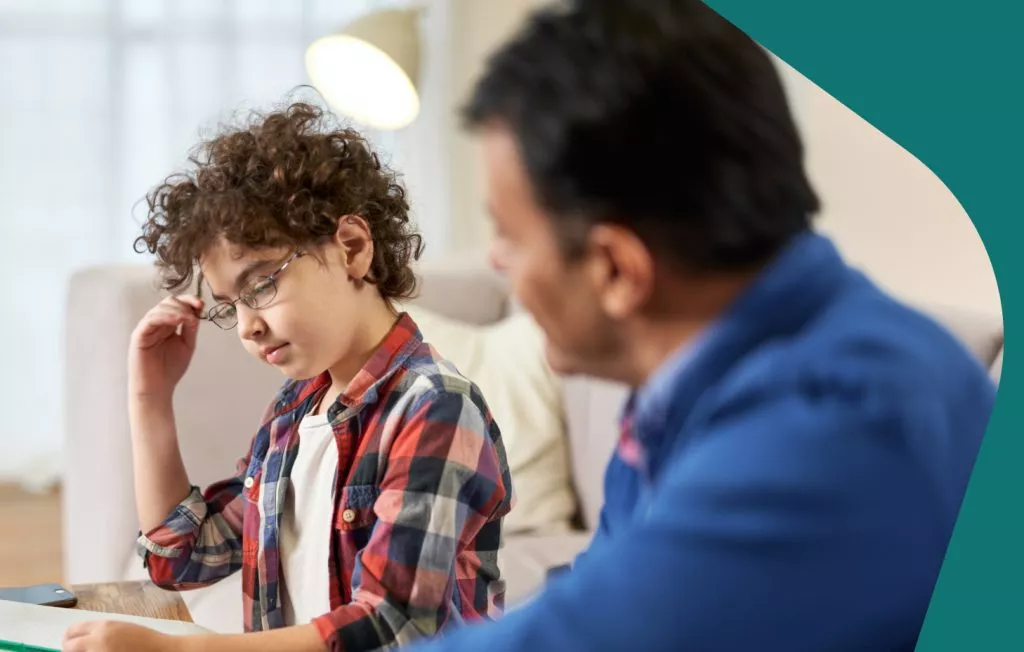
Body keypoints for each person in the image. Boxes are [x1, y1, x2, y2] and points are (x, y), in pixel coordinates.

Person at [410, 1, 997, 650]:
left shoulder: (839, 429)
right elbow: (604, 592)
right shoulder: (683, 390)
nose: (496, 259)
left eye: (508, 233)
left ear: (615, 269)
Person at [62, 102, 513, 652]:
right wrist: (149, 397)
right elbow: (181, 557)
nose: (248, 327)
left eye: (261, 285)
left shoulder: (435, 407)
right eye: (232, 305)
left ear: (352, 248)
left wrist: (182, 651)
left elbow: (392, 626)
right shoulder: (295, 414)